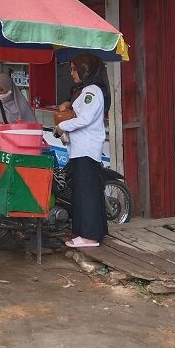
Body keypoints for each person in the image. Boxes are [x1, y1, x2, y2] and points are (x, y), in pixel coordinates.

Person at [54, 54, 111, 248]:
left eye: (74, 69)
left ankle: (89, 236)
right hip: (81, 149)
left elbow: (85, 119)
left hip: (86, 149)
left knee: (87, 193)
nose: (71, 73)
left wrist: (63, 126)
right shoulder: (86, 91)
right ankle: (91, 232)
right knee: (86, 191)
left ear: (86, 70)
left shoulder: (92, 91)